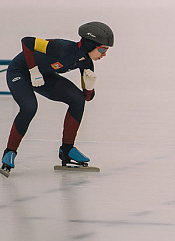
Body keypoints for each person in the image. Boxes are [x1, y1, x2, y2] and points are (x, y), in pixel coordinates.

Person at [1, 22, 114, 177]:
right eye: (102, 49)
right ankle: (10, 152)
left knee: (77, 100)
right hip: (20, 71)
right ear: (90, 45)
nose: (104, 54)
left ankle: (67, 150)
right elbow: (27, 41)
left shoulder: (86, 62)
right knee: (29, 107)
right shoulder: (61, 48)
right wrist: (33, 70)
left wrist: (89, 87)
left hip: (44, 75)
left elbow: (87, 98)